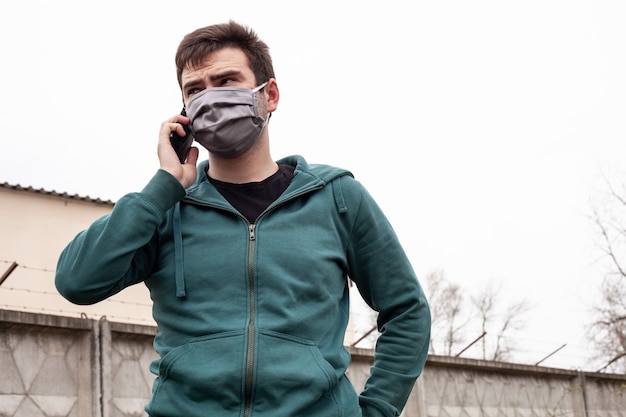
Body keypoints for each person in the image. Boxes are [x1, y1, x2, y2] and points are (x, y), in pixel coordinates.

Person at [55, 20, 431, 417]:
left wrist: (378, 409)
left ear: (269, 95)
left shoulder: (338, 197)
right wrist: (163, 186)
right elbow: (76, 282)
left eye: (226, 80)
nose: (210, 98)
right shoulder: (165, 209)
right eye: (194, 90)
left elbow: (407, 309)